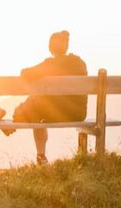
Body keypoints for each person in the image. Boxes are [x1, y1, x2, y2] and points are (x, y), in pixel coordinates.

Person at [13, 31, 88, 164]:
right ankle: (20, 115)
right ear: (66, 46)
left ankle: (41, 156)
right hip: (78, 114)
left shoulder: (49, 65)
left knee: (37, 113)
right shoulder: (79, 63)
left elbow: (25, 73)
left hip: (55, 114)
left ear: (50, 48)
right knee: (38, 104)